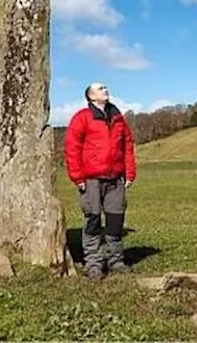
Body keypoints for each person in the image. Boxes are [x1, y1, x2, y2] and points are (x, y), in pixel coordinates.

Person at [63, 81, 137, 280]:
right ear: (91, 96)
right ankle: (93, 264)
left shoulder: (118, 117)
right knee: (93, 221)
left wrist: (130, 172)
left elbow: (127, 146)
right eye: (100, 88)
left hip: (115, 179)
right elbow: (72, 148)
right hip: (91, 179)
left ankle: (116, 261)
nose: (105, 89)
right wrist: (77, 177)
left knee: (115, 221)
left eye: (105, 87)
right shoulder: (82, 118)